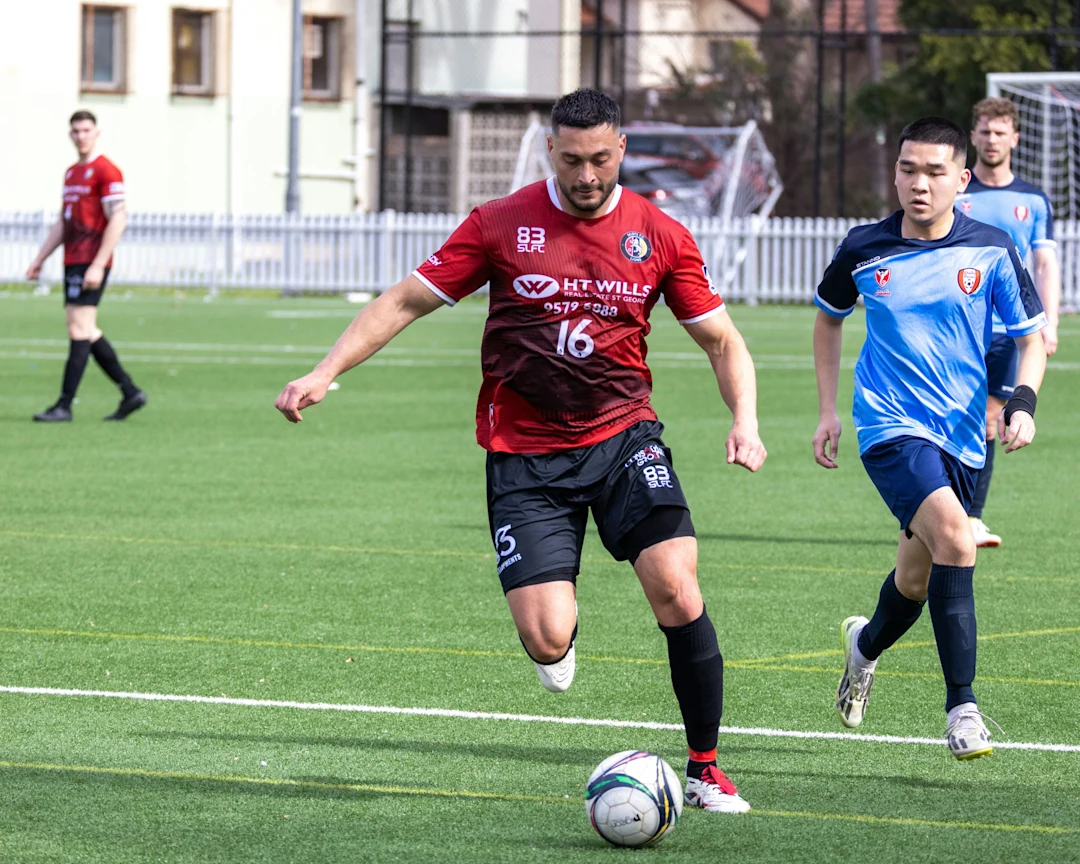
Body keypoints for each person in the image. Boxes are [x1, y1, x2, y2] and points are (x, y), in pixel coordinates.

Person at [276, 89, 767, 813]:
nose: (586, 175)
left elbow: (722, 340)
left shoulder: (659, 234)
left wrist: (744, 420)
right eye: (571, 160)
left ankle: (705, 767)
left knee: (676, 584)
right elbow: (406, 300)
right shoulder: (500, 223)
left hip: (623, 436)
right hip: (524, 452)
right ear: (549, 152)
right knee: (546, 637)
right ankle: (557, 637)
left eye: (599, 159)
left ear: (621, 149)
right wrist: (324, 371)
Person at [812, 117, 1046, 759]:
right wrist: (829, 410)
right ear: (895, 174)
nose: (919, 183)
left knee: (915, 583)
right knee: (957, 541)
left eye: (935, 172)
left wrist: (1022, 403)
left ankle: (863, 647)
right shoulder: (864, 247)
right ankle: (962, 710)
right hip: (889, 427)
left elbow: (1030, 339)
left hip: (963, 434)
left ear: (961, 180)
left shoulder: (993, 248)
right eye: (908, 169)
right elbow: (828, 320)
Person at [955, 97, 1060, 547]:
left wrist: (1048, 323)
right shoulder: (956, 190)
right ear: (973, 136)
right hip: (959, 328)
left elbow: (1045, 263)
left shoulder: (1033, 199)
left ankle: (969, 517)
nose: (992, 139)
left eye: (1000, 132)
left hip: (1009, 330)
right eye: (985, 131)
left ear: (1015, 138)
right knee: (949, 416)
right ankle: (940, 511)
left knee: (988, 420)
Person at [27, 110, 146, 422]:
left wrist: (98, 264)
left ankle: (64, 405)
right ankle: (130, 392)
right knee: (87, 330)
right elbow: (63, 222)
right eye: (76, 131)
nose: (81, 136)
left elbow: (118, 217)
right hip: (73, 259)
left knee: (78, 328)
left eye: (86, 130)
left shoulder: (107, 170)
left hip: (90, 260)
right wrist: (40, 259)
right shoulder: (71, 174)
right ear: (70, 135)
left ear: (96, 133)